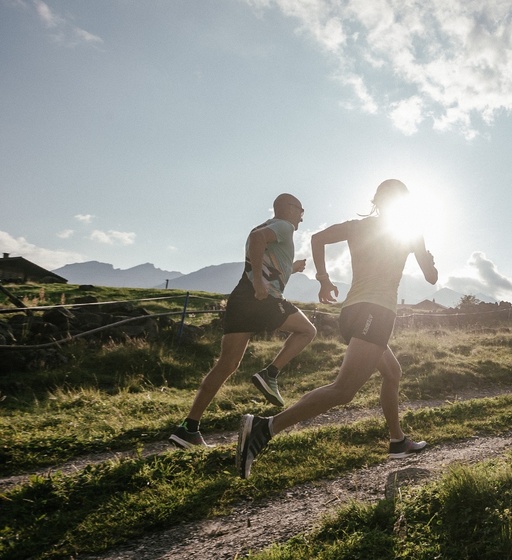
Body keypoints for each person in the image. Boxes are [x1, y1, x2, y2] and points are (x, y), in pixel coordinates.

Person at [236, 179, 438, 478]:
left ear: (377, 200)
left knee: (392, 373)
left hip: (351, 312)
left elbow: (317, 238)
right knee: (343, 391)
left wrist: (324, 278)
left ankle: (397, 440)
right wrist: (429, 260)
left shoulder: (356, 227)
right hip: (377, 312)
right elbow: (432, 278)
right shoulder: (411, 232)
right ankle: (265, 428)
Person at [169, 193, 317, 449]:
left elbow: (260, 251)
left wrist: (290, 268)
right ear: (289, 209)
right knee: (307, 331)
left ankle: (189, 428)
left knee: (226, 365)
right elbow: (258, 242)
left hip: (241, 297)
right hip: (262, 298)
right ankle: (269, 374)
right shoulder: (282, 226)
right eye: (301, 211)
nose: (302, 217)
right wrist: (259, 283)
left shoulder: (264, 226)